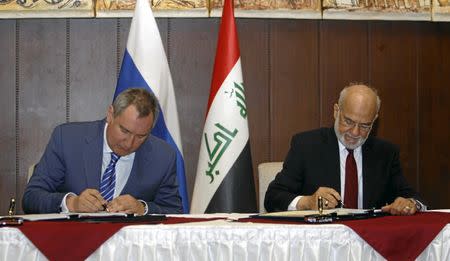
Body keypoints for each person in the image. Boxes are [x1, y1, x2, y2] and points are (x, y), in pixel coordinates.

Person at [264, 83, 425, 216]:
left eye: (364, 125)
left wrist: (409, 203)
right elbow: (273, 197)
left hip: (370, 244)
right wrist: (308, 202)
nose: (355, 133)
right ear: (336, 111)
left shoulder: (385, 153)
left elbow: (413, 197)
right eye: (348, 121)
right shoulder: (306, 146)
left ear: (374, 120)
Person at [23, 88, 183, 215]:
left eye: (141, 136)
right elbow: (31, 198)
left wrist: (143, 208)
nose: (130, 143)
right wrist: (72, 203)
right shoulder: (67, 140)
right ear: (110, 114)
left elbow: (175, 212)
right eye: (124, 131)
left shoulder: (163, 156)